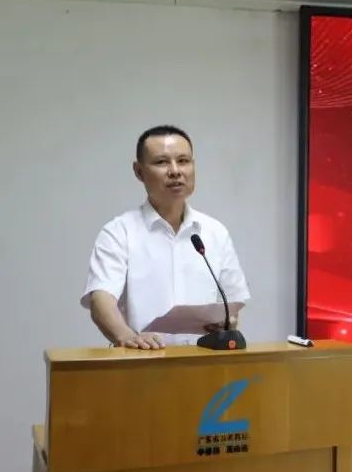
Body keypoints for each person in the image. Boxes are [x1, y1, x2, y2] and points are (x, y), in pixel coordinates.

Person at [81, 125, 250, 349]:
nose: (175, 171)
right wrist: (127, 336)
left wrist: (228, 321)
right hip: (142, 360)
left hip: (204, 361)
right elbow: (101, 299)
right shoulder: (119, 232)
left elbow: (232, 304)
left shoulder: (215, 232)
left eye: (183, 161)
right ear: (139, 171)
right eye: (162, 162)